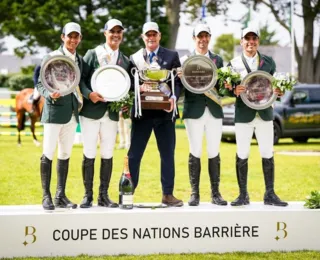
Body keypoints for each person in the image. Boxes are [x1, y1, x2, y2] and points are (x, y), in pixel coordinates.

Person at [225, 27, 288, 207]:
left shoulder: (269, 62)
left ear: (258, 41)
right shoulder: (233, 63)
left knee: (267, 153)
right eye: (247, 39)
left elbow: (276, 86)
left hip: (265, 113)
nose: (250, 42)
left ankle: (269, 194)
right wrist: (233, 89)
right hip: (243, 114)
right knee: (242, 153)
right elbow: (224, 87)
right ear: (241, 41)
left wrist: (279, 91)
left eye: (254, 39)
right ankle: (243, 195)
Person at [128, 21, 183, 207]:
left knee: (167, 155)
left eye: (154, 34)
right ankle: (129, 192)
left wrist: (174, 98)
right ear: (143, 37)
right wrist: (139, 89)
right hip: (142, 113)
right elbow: (129, 83)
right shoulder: (134, 58)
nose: (151, 38)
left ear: (159, 36)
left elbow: (178, 81)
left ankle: (168, 194)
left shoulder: (172, 55)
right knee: (134, 155)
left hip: (165, 113)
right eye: (147, 35)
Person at [79, 19, 132, 208]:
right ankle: (88, 195)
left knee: (108, 153)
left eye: (119, 31)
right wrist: (89, 94)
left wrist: (127, 103)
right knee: (89, 152)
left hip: (111, 114)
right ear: (105, 33)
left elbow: (127, 88)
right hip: (91, 111)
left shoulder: (125, 60)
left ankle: (103, 195)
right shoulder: (93, 54)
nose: (116, 35)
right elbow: (81, 80)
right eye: (112, 31)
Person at [37, 22, 84, 210]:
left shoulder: (78, 59)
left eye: (76, 36)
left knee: (65, 154)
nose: (73, 40)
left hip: (72, 112)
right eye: (69, 36)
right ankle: (46, 196)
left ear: (80, 39)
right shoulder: (51, 57)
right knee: (48, 152)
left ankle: (60, 195)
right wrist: (49, 94)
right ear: (62, 37)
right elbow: (40, 84)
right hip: (54, 111)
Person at [178, 24, 227, 206]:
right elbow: (180, 89)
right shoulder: (185, 60)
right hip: (193, 110)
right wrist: (179, 77)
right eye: (200, 36)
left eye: (206, 36)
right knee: (195, 150)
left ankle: (216, 193)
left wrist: (227, 86)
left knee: (214, 151)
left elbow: (221, 89)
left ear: (209, 38)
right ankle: (194, 193)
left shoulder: (218, 60)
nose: (203, 39)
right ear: (194, 38)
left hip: (214, 110)